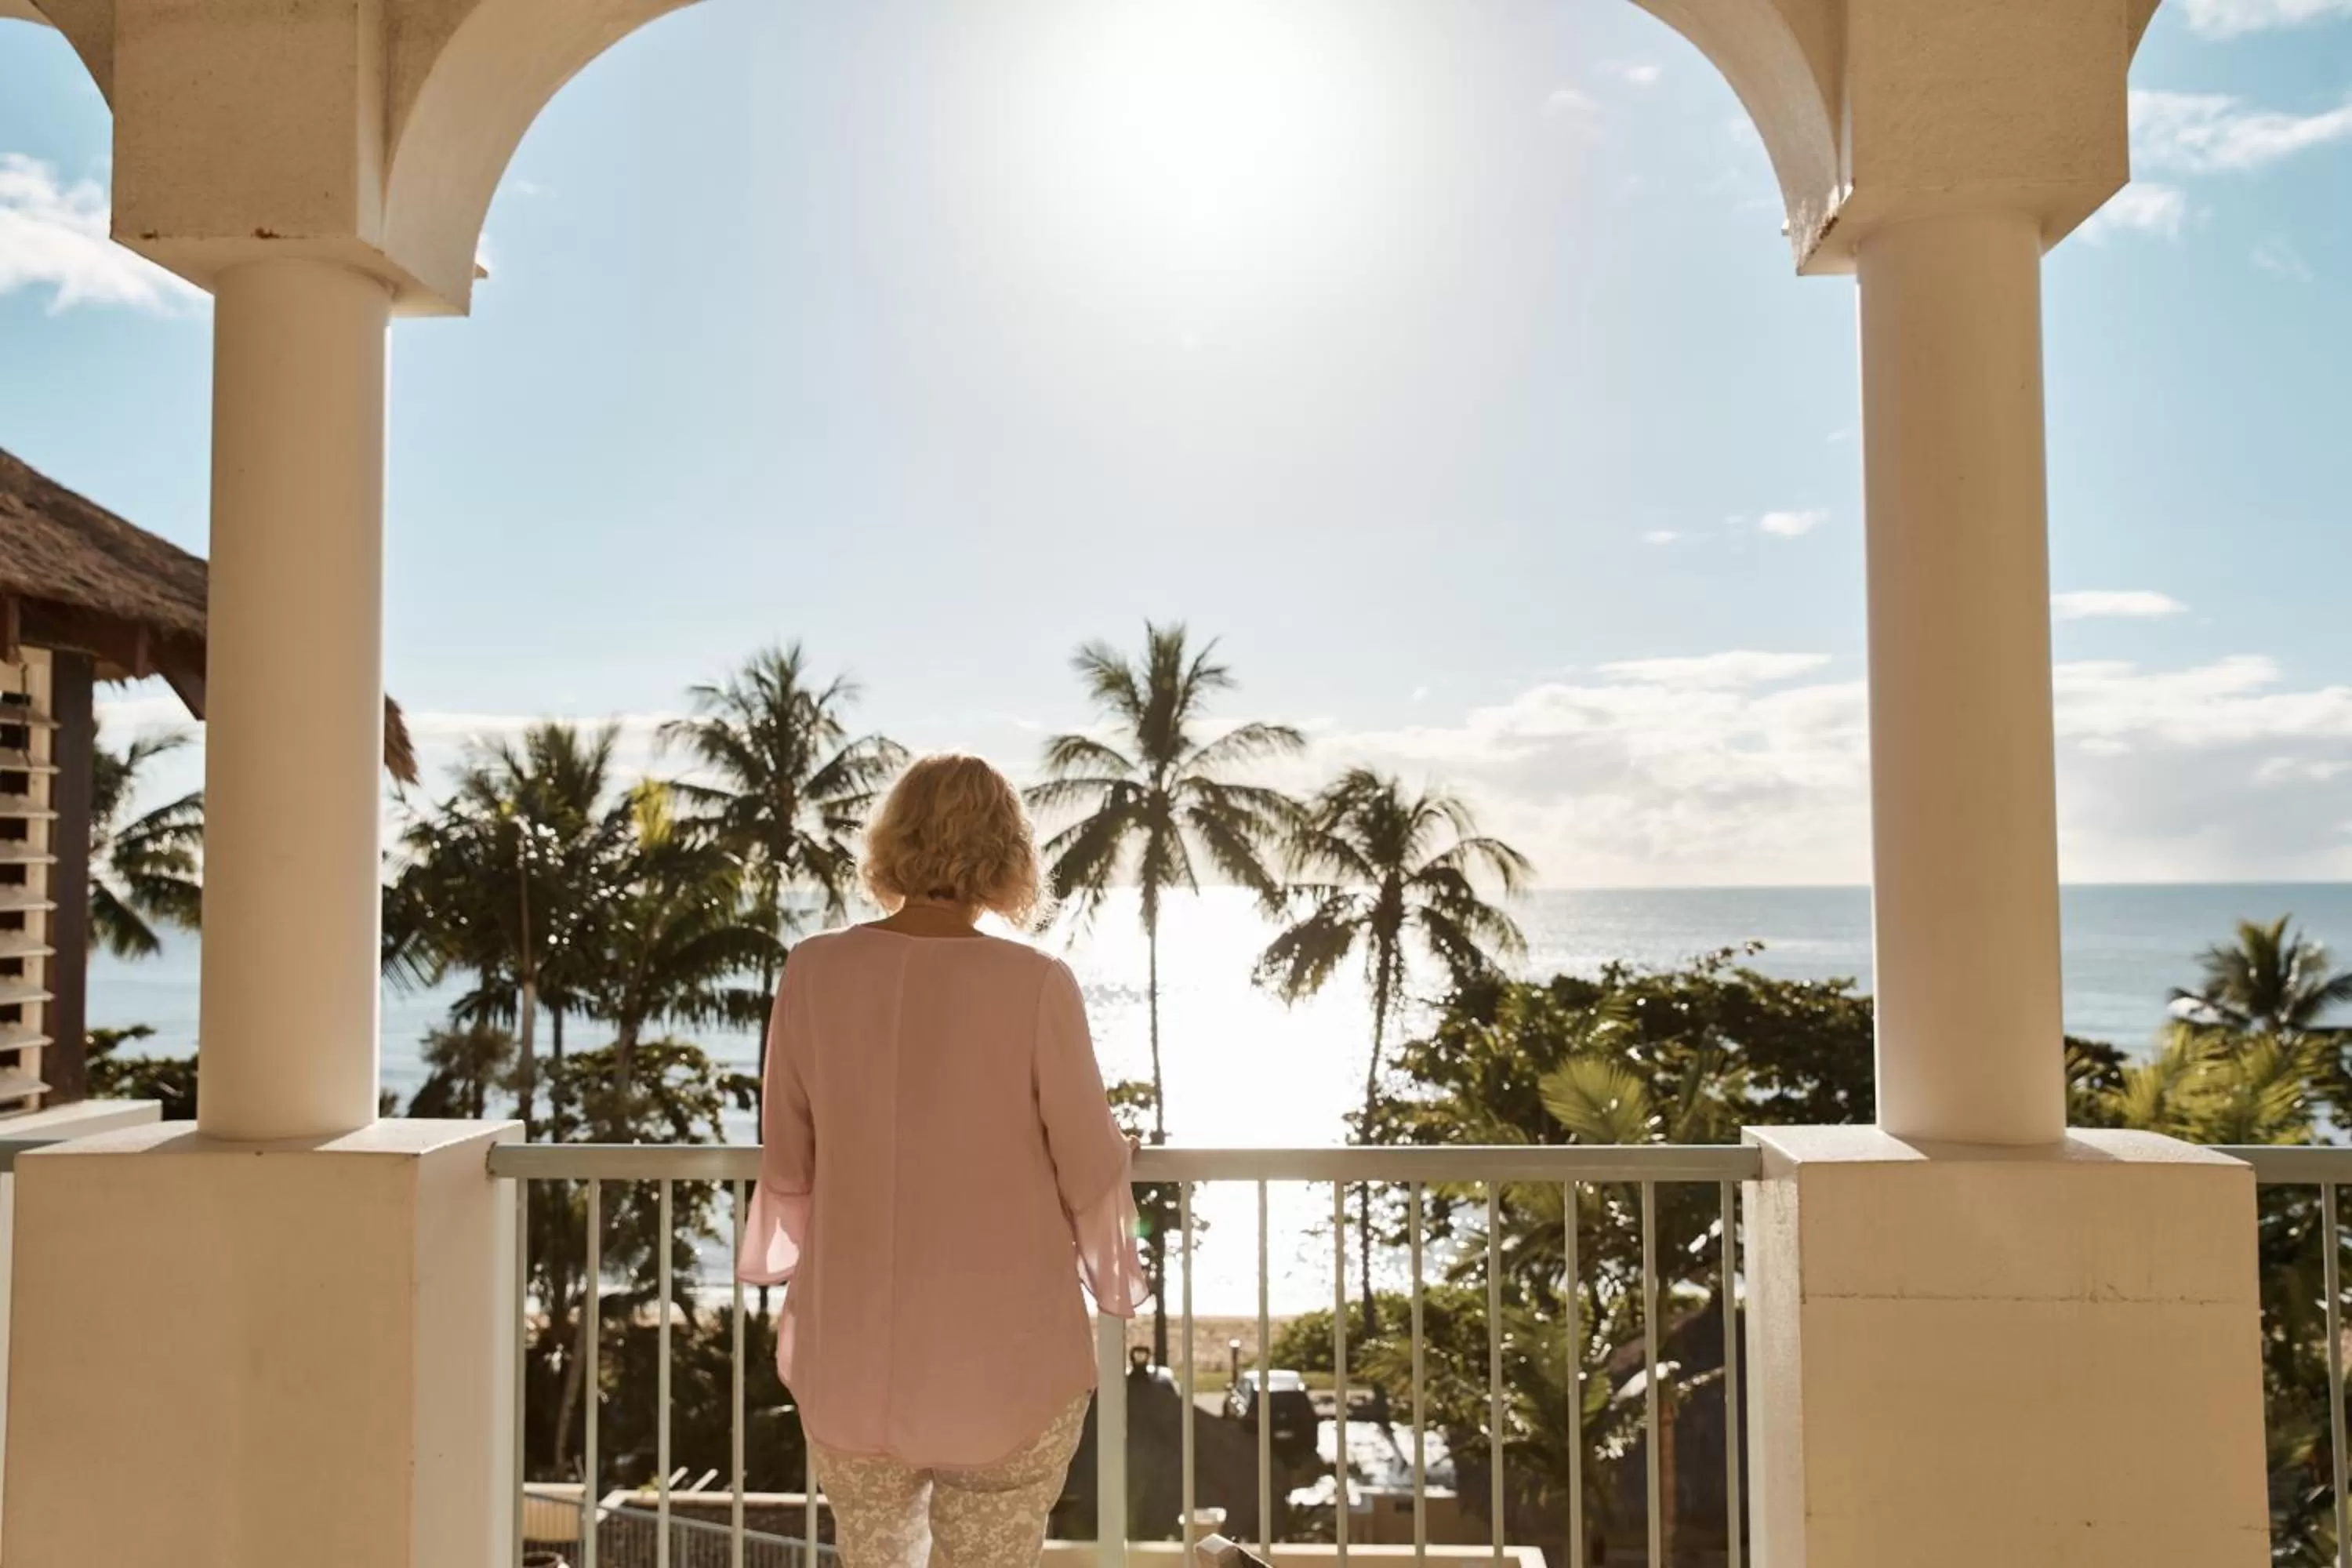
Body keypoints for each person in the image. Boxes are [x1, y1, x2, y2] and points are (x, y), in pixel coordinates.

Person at [737, 752, 1150, 1568]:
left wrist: (778, 1253)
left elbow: (788, 1157)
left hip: (851, 1347)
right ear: (1007, 854)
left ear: (893, 842)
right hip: (1008, 1358)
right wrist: (1115, 1277)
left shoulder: (812, 970)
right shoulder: (1035, 982)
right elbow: (1088, 1166)